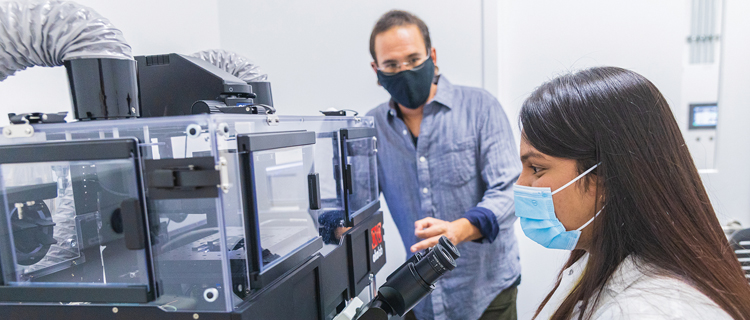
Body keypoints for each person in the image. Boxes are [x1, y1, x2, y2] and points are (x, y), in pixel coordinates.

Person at [515, 66, 750, 319]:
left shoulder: (651, 310)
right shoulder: (596, 261)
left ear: (606, 178)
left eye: (537, 168)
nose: (520, 184)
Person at [366, 10, 521, 320]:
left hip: (486, 291)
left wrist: (458, 230)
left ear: (432, 56)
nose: (405, 70)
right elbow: (351, 204)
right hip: (417, 297)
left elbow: (510, 192)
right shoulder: (370, 129)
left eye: (413, 59)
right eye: (392, 65)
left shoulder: (480, 108)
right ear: (377, 70)